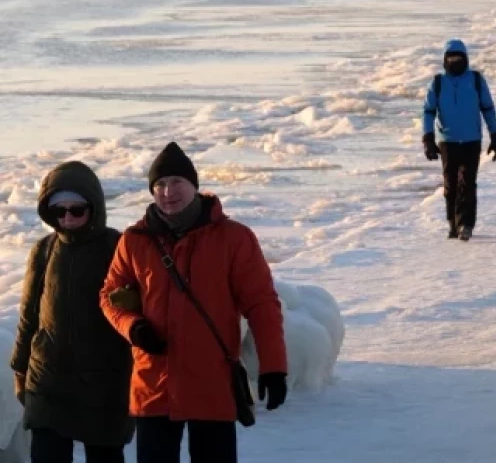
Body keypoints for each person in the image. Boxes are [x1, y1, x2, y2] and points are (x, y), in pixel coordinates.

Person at [99, 142, 288, 463]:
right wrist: (134, 327)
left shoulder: (234, 238)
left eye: (176, 183)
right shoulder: (134, 241)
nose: (167, 191)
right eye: (159, 184)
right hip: (154, 380)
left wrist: (273, 368)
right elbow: (109, 296)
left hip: (211, 379)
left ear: (195, 187)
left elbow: (261, 304)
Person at [11, 161, 132, 463]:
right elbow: (29, 314)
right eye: (58, 211)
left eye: (76, 210)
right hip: (49, 379)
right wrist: (20, 367)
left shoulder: (118, 247)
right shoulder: (43, 249)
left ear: (94, 206)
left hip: (104, 383)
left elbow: (136, 312)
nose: (67, 217)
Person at [422, 39, 496, 241]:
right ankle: (453, 223)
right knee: (450, 185)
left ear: (465, 59)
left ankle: (466, 224)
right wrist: (428, 139)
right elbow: (428, 112)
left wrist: (495, 135)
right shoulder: (438, 82)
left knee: (468, 183)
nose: (454, 62)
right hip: (447, 141)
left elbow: (488, 108)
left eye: (458, 58)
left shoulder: (476, 80)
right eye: (451, 58)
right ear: (445, 60)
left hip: (471, 140)